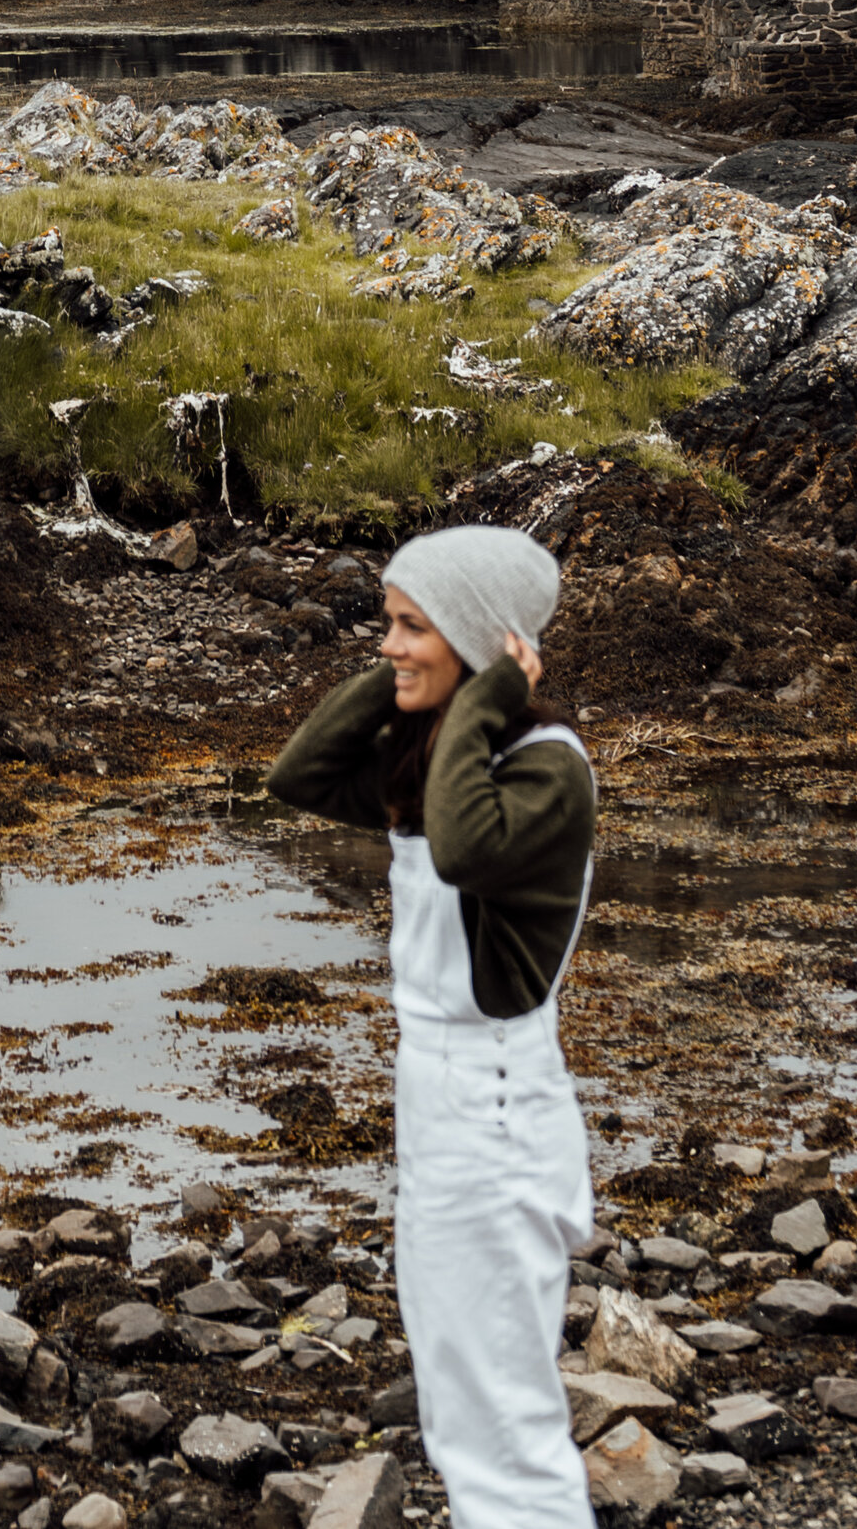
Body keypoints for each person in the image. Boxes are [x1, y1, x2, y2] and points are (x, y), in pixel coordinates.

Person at [267, 527, 596, 1527]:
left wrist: (484, 685)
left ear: (475, 639)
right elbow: (302, 774)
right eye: (387, 623)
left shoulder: (547, 770)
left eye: (410, 626)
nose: (387, 645)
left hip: (492, 1106)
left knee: (501, 1418)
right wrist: (416, 677)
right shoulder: (434, 765)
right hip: (440, 1101)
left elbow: (459, 849)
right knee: (459, 1406)